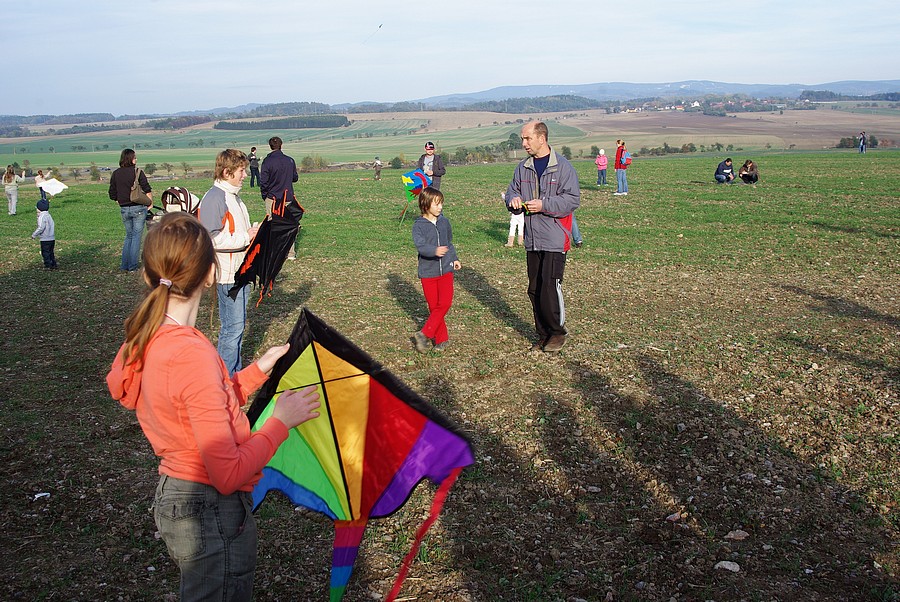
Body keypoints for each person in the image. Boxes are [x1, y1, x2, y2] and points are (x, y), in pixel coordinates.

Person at [106, 212, 320, 602]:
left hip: (179, 496)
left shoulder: (152, 338)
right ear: (209, 274)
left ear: (149, 274)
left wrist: (255, 372)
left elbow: (198, 405)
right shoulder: (190, 354)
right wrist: (279, 423)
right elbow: (227, 473)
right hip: (209, 509)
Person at [504, 121, 580, 353]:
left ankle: (557, 332)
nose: (523, 143)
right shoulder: (523, 167)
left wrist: (543, 205)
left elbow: (572, 200)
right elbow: (512, 190)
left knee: (549, 286)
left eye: (527, 138)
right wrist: (513, 200)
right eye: (522, 139)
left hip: (555, 237)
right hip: (532, 239)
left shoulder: (563, 167)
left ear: (542, 138)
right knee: (534, 288)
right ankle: (543, 334)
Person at [199, 149, 258, 377]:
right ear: (227, 172)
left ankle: (234, 374)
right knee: (232, 330)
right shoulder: (216, 198)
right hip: (227, 275)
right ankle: (225, 379)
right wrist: (246, 237)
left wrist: (252, 233)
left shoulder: (233, 196)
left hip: (239, 271)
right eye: (241, 171)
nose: (245, 175)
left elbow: (233, 230)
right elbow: (210, 238)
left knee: (237, 327)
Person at [411, 187, 460, 353]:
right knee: (434, 306)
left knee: (445, 303)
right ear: (425, 205)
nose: (440, 207)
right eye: (436, 204)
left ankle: (424, 334)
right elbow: (420, 246)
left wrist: (454, 258)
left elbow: (449, 242)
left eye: (441, 203)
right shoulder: (418, 226)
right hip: (428, 273)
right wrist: (434, 251)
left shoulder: (444, 222)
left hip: (446, 270)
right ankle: (441, 339)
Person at [109, 149, 152, 272]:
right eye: (134, 157)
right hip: (138, 208)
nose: (136, 159)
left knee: (129, 236)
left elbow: (112, 193)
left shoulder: (116, 173)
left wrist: (118, 201)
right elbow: (147, 189)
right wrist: (150, 203)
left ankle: (124, 265)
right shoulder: (137, 172)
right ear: (130, 159)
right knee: (136, 237)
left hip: (124, 209)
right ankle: (133, 266)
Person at [259, 136, 300, 260]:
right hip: (288, 197)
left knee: (272, 224)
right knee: (289, 224)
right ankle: (290, 253)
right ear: (281, 145)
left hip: (272, 198)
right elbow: (295, 178)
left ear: (270, 146)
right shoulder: (290, 160)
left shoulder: (267, 161)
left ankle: (274, 252)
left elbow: (263, 182)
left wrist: (265, 195)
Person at [31, 199, 57, 269]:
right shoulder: (48, 215)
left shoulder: (42, 217)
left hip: (45, 239)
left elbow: (41, 227)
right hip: (52, 238)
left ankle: (48, 265)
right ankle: (53, 264)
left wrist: (34, 234)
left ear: (39, 209)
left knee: (45, 253)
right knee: (51, 252)